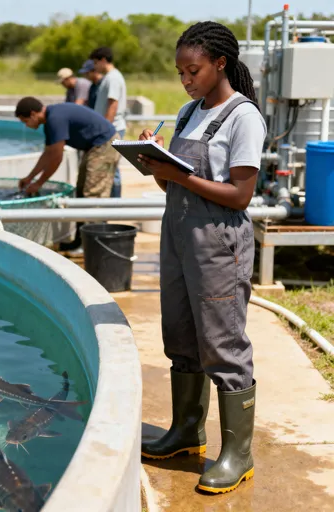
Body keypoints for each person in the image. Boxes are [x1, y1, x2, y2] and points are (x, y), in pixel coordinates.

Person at [138, 21, 266, 495]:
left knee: (222, 344)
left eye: (193, 70)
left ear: (219, 64)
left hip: (218, 243)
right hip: (178, 238)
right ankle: (186, 432)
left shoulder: (242, 117)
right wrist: (153, 162)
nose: (186, 80)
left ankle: (238, 453)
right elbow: (170, 184)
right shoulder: (187, 112)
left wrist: (179, 175)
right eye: (180, 72)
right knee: (181, 335)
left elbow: (239, 195)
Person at [15, 97, 120, 253]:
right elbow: (48, 154)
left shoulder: (54, 119)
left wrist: (39, 183)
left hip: (105, 144)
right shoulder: (51, 119)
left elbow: (57, 158)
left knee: (93, 196)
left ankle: (93, 246)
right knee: (82, 191)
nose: (26, 125)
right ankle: (80, 241)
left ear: (33, 114)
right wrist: (30, 178)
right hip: (94, 147)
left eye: (25, 121)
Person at [89, 47, 127, 198]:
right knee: (110, 168)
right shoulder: (110, 77)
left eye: (96, 62)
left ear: (103, 60)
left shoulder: (113, 78)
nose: (95, 66)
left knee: (113, 168)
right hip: (111, 128)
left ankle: (115, 204)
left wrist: (105, 129)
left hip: (113, 129)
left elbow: (113, 104)